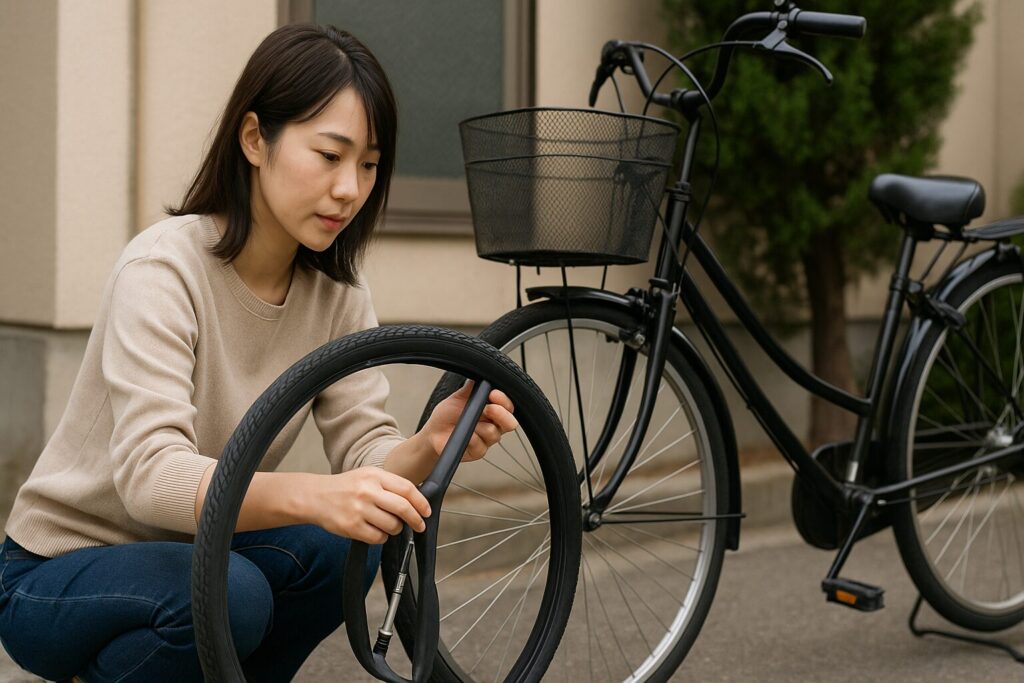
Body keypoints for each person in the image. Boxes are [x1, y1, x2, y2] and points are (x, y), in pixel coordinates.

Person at [0, 23, 517, 682]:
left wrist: (427, 444)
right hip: (56, 574)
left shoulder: (337, 291)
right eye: (329, 155)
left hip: (196, 553)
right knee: (234, 594)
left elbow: (364, 446)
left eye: (368, 164)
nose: (350, 189)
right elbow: (151, 477)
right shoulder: (163, 269)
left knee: (345, 546)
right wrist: (315, 495)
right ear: (254, 139)